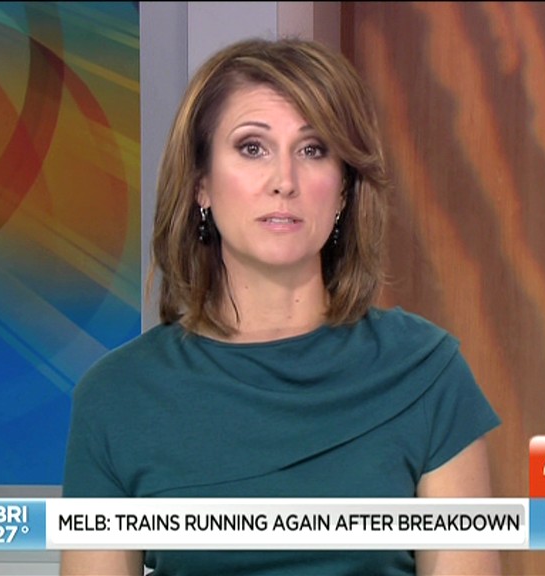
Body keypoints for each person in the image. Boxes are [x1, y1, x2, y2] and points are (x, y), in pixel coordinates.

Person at [60, 37, 502, 576]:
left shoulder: (427, 373)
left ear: (343, 190)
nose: (284, 182)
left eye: (313, 150)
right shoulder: (118, 396)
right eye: (253, 148)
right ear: (201, 184)